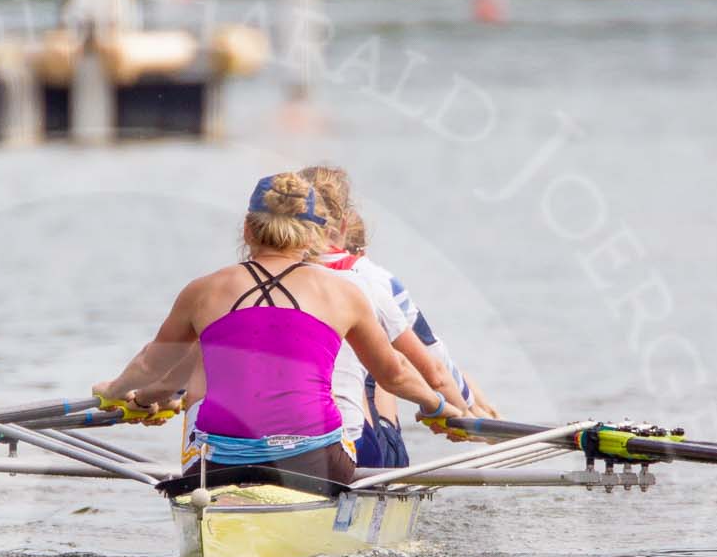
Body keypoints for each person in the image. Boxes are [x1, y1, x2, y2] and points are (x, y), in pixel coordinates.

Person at [94, 172, 458, 498]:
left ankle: (213, 508)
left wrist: (124, 397)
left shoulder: (203, 290)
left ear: (248, 230)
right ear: (314, 234)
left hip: (220, 467)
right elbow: (393, 374)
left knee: (204, 365)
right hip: (316, 463)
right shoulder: (344, 293)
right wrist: (436, 406)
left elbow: (153, 363)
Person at [299, 166, 500, 470]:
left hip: (260, 445)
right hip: (348, 452)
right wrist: (466, 419)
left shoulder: (247, 279)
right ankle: (484, 415)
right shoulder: (372, 280)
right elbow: (434, 369)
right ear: (343, 226)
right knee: (379, 356)